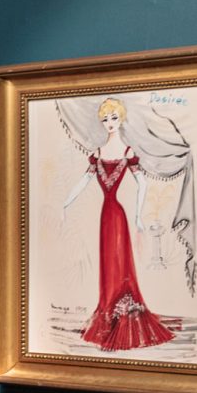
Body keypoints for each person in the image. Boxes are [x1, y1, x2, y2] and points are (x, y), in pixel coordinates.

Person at [58, 97, 176, 351]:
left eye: (113, 118)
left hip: (118, 215)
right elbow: (84, 180)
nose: (109, 123)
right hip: (105, 215)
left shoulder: (127, 152)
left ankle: (123, 311)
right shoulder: (98, 153)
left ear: (121, 119)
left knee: (120, 262)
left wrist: (137, 215)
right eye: (105, 119)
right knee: (107, 263)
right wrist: (66, 201)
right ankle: (108, 308)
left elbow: (142, 183)